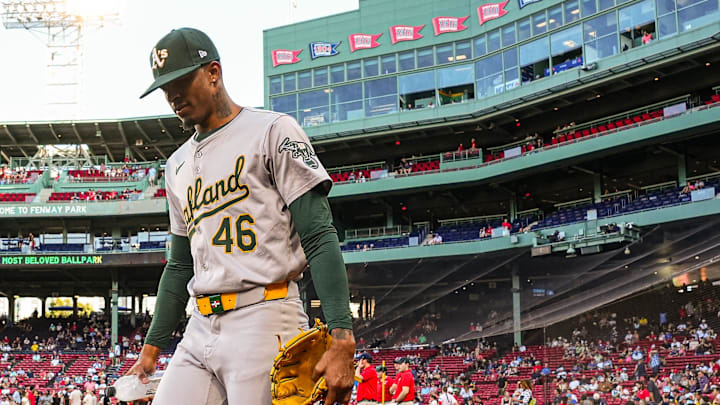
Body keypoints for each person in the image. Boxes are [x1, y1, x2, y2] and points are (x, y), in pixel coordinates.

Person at [126, 28, 355, 405]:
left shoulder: (272, 130)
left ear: (213, 72)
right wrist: (150, 352)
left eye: (181, 82)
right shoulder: (175, 164)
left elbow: (317, 233)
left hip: (265, 314)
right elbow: (180, 264)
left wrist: (342, 335)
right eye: (165, 90)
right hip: (199, 327)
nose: (173, 97)